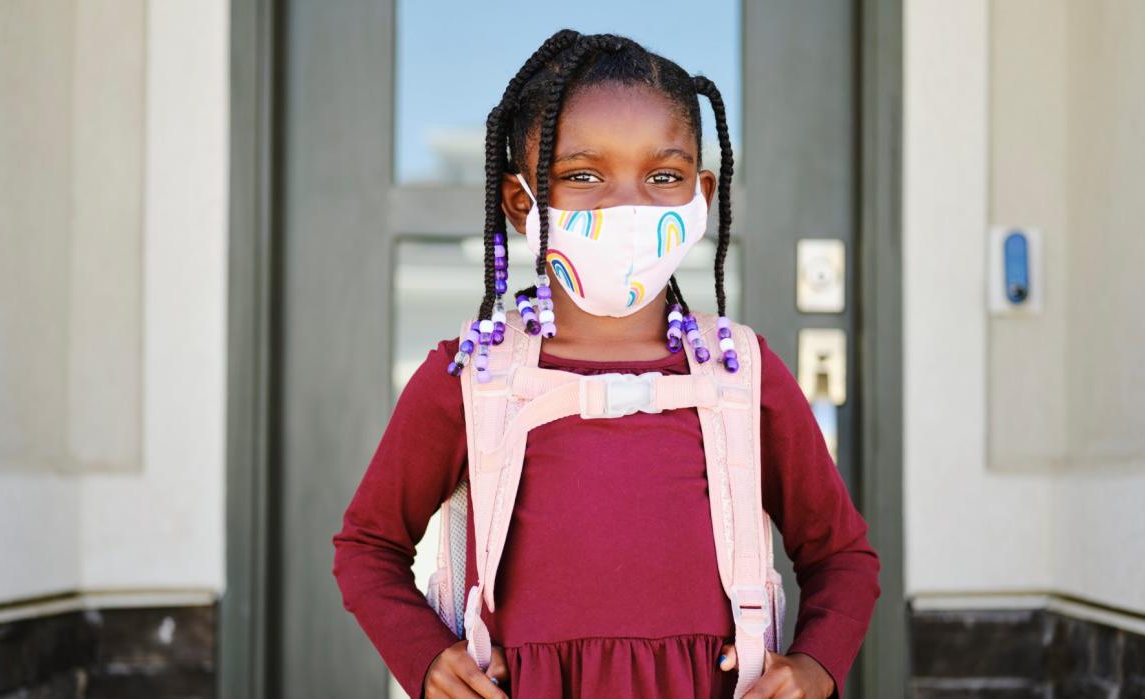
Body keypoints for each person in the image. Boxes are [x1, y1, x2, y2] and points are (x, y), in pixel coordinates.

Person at [332, 29, 881, 699]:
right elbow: (366, 546)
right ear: (520, 202)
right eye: (584, 175)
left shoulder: (740, 373)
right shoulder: (472, 376)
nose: (628, 204)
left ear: (701, 195)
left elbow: (841, 556)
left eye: (663, 175)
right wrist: (426, 657)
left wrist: (816, 667)